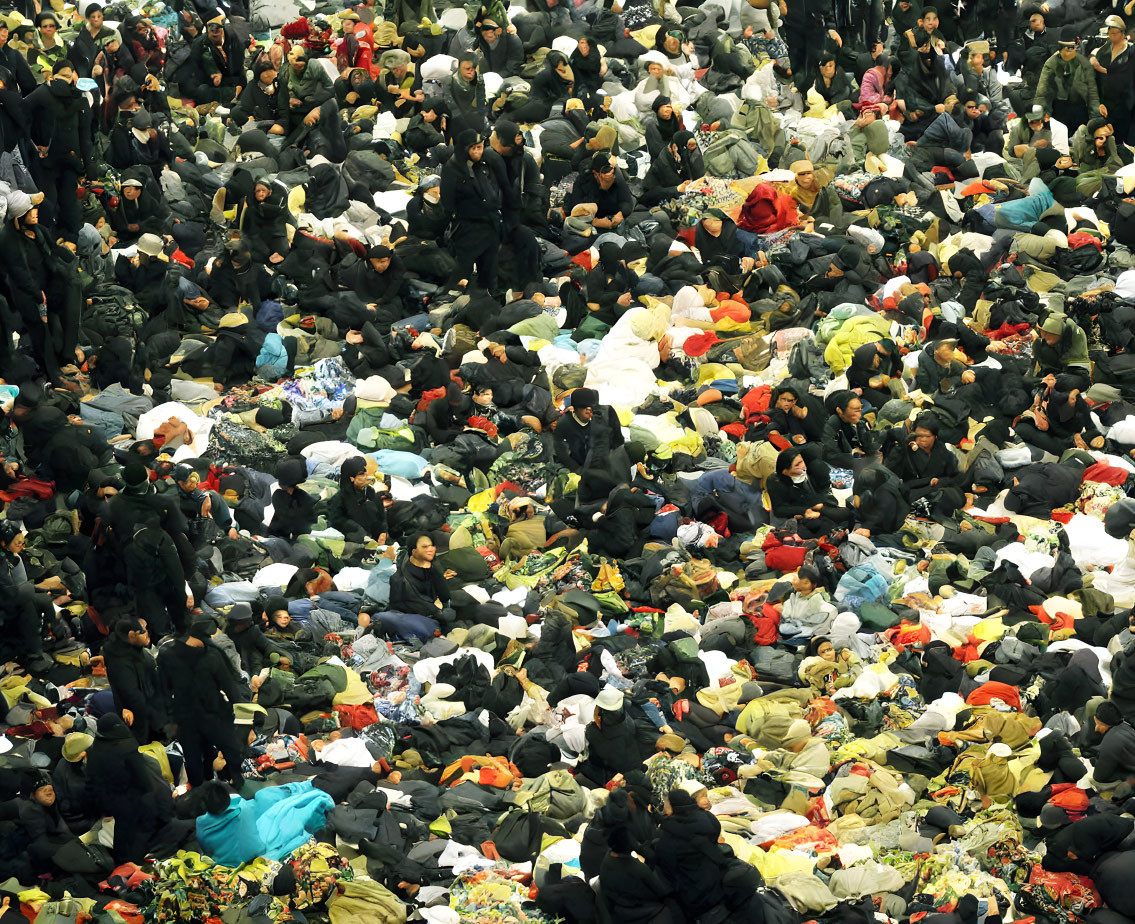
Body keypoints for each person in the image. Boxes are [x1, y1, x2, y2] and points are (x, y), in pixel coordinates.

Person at [439, 128, 507, 291]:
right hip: (468, 228)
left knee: (489, 270)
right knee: (463, 271)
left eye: (480, 147)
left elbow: (494, 188)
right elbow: (447, 201)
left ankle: (487, 300)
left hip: (490, 225)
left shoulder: (484, 164)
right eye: (473, 148)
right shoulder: (453, 168)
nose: (478, 152)